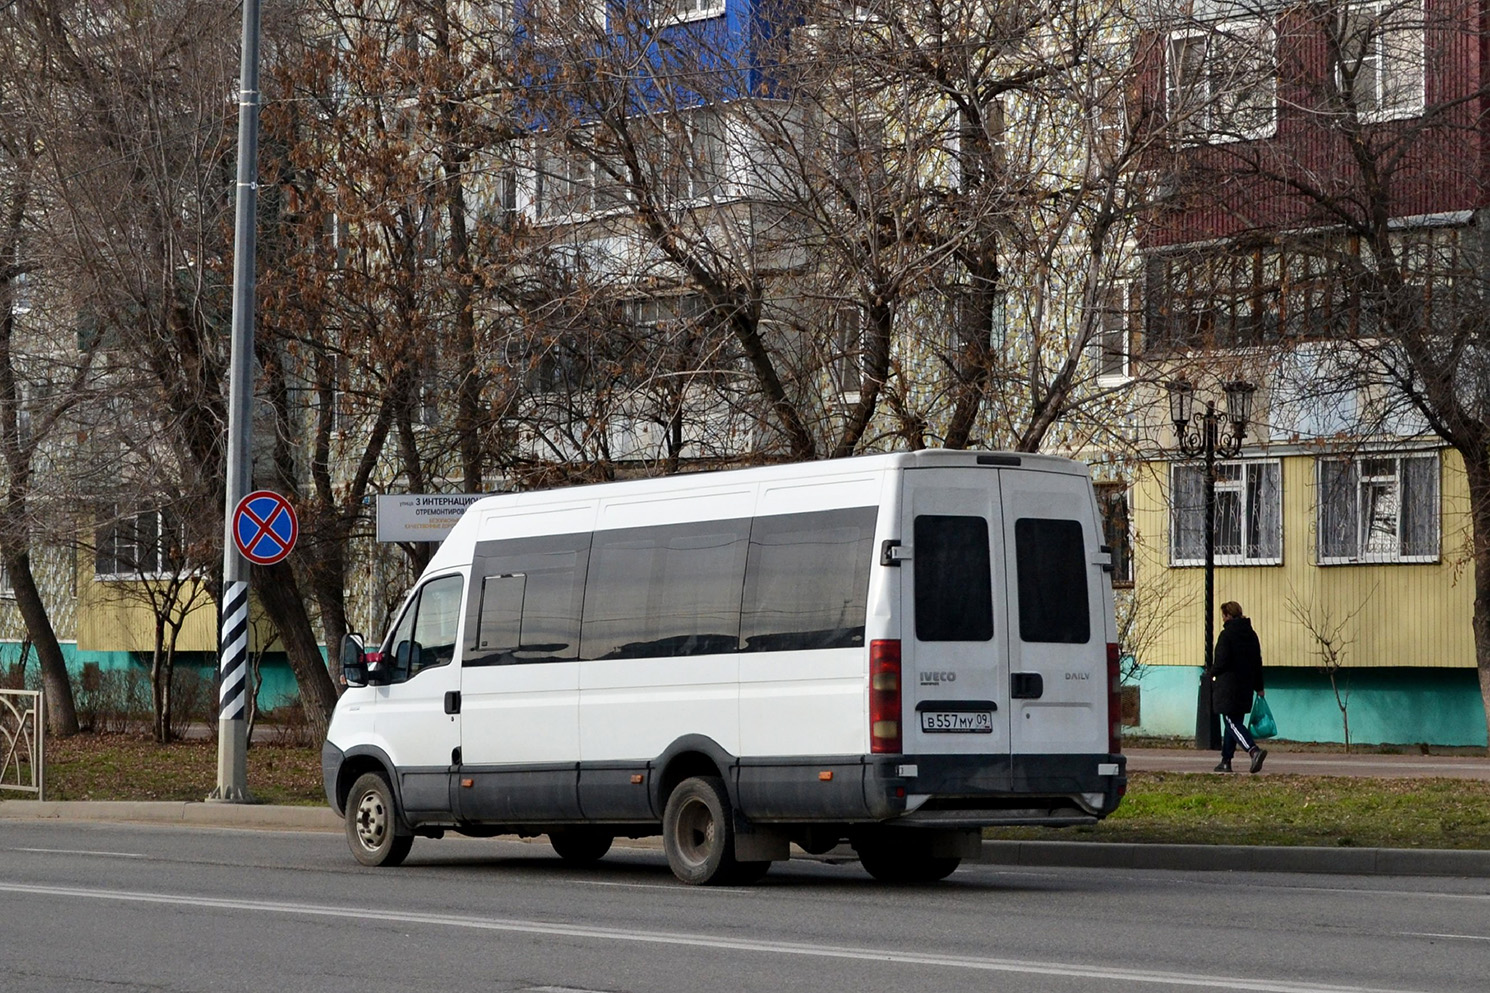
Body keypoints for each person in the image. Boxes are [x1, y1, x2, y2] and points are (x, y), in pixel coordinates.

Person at [1209, 600, 1267, 774]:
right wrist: (1259, 686)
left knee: (1230, 722)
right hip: (1245, 686)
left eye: (1223, 616)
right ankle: (1226, 761)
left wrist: (1210, 672)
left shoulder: (1226, 635)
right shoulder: (1251, 634)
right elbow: (1257, 662)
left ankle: (1253, 751)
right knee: (1233, 725)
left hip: (1228, 687)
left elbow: (1221, 661)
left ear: (1227, 616)